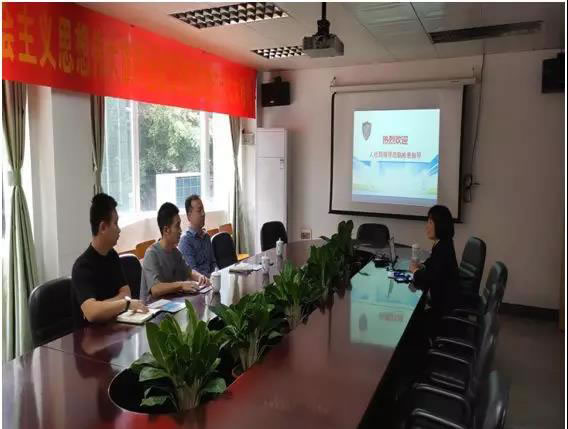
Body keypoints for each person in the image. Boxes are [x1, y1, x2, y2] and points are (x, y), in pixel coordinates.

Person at [71, 193, 148, 328]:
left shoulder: (112, 255)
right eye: (115, 223)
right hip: (91, 337)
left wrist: (102, 306)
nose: (119, 229)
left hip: (113, 329)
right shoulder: (82, 267)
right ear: (103, 227)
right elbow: (92, 313)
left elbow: (126, 293)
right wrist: (125, 304)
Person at [140, 202, 210, 301]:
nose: (180, 230)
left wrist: (200, 277)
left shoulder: (176, 252)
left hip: (172, 304)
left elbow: (189, 272)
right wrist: (181, 285)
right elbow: (155, 289)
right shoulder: (151, 254)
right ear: (166, 230)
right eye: (177, 226)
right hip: (153, 307)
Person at [410, 205, 460, 335]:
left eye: (430, 222)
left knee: (412, 323)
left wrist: (415, 271)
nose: (427, 227)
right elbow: (434, 263)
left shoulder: (442, 247)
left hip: (443, 309)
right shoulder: (443, 243)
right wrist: (422, 265)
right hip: (445, 301)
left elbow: (431, 278)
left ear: (440, 225)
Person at [178, 194, 217, 277]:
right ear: (189, 216)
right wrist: (211, 278)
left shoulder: (206, 237)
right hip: (199, 282)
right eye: (199, 210)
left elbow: (213, 263)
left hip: (212, 279)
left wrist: (217, 275)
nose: (203, 213)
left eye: (203, 210)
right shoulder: (185, 241)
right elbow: (193, 273)